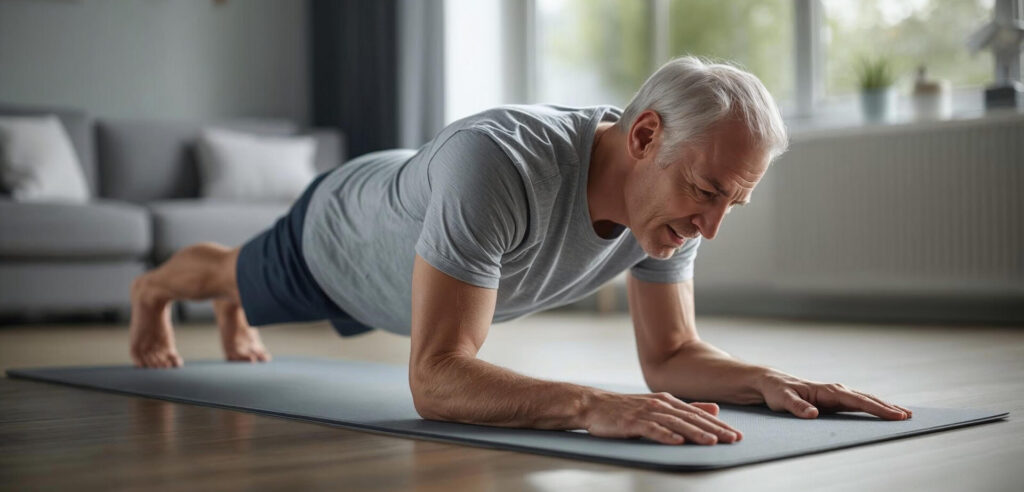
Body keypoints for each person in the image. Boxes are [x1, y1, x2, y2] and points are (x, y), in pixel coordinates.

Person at [128, 56, 913, 446]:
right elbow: (436, 379)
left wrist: (768, 380)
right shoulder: (500, 161)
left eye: (731, 204)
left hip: (410, 247)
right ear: (645, 137)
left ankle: (235, 308)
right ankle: (157, 291)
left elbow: (671, 356)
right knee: (235, 274)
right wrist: (588, 404)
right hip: (340, 238)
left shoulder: (665, 207)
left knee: (246, 296)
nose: (711, 228)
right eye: (708, 194)